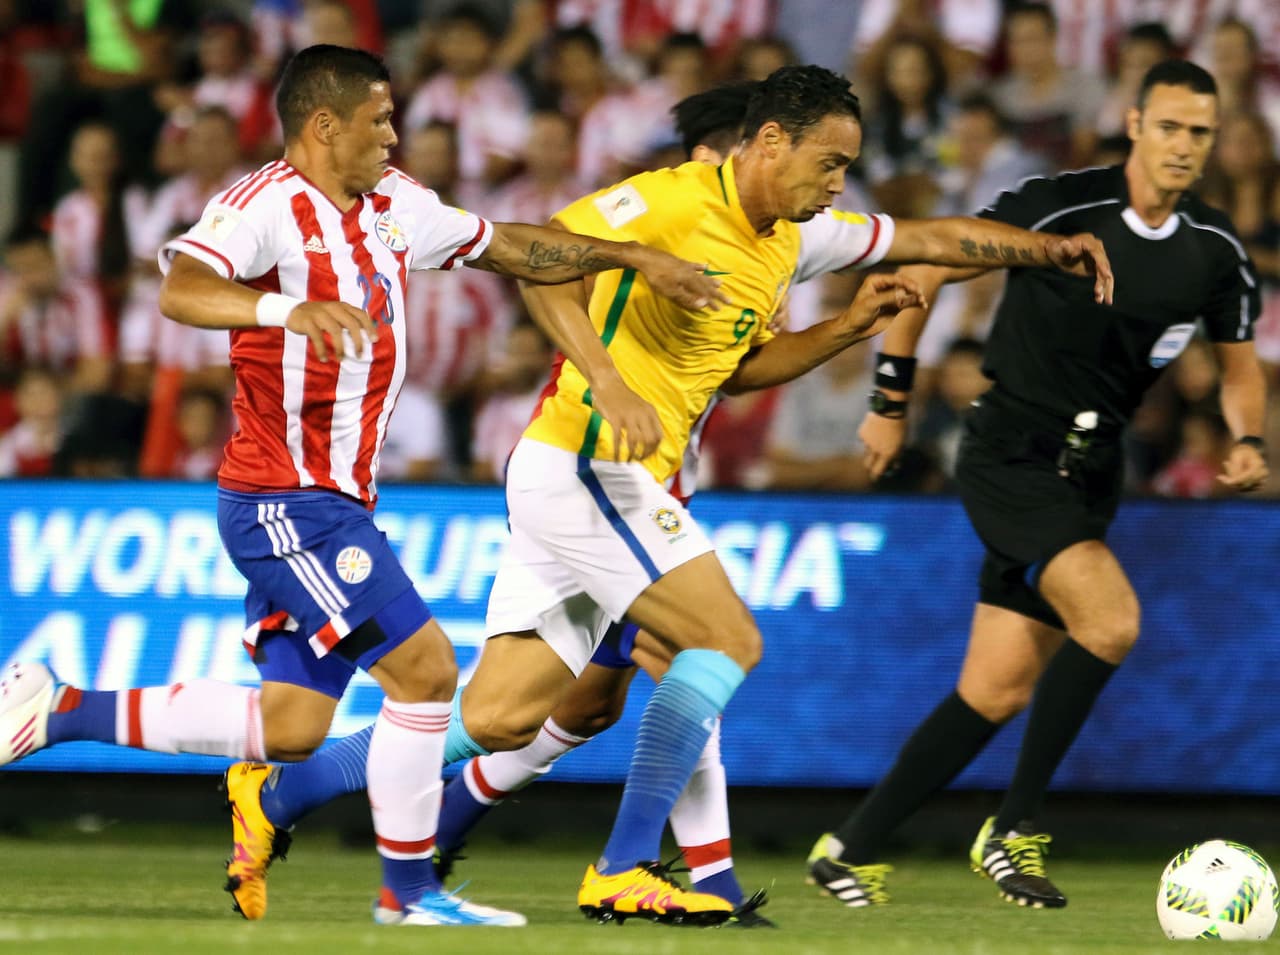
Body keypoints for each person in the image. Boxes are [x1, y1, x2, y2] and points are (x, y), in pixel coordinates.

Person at [165, 68, 1112, 928]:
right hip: (587, 460)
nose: (839, 184)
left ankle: (277, 793)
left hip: (604, 479)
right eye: (829, 163)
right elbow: (547, 264)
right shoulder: (664, 202)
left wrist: (1032, 258)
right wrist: (606, 378)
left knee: (503, 717)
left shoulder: (797, 238)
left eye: (847, 168)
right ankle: (633, 867)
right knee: (722, 640)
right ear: (769, 142)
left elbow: (917, 246)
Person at [0, 43, 727, 929]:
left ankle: (59, 709)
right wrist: (286, 307)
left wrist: (631, 256)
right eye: (379, 119)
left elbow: (511, 246)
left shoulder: (394, 205)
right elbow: (183, 290)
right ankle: (408, 892)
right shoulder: (262, 204)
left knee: (292, 726)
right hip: (285, 499)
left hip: (332, 500)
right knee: (426, 672)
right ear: (324, 124)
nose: (393, 134)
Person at [807, 59, 1268, 911]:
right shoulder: (1062, 205)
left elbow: (1240, 367)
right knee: (1112, 620)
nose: (1184, 145)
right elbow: (927, 268)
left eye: (1199, 132)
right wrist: (890, 400)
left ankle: (846, 849)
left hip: (1095, 468)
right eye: (1169, 126)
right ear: (1134, 124)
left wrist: (1247, 436)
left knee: (996, 688)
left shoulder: (1215, 249)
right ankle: (1012, 828)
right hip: (1012, 448)